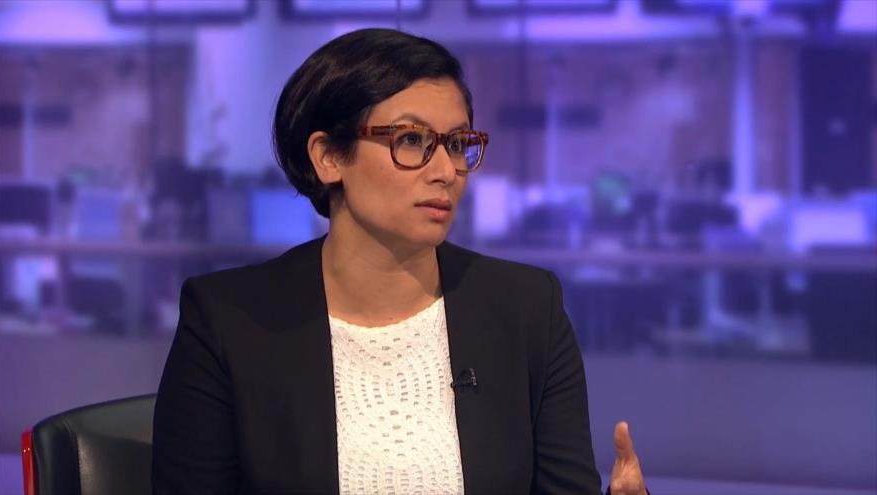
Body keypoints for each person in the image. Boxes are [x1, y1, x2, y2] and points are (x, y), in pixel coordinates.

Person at [152, 28, 648, 495]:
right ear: (328, 157)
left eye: (457, 144)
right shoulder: (227, 321)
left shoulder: (527, 310)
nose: (446, 170)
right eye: (412, 140)